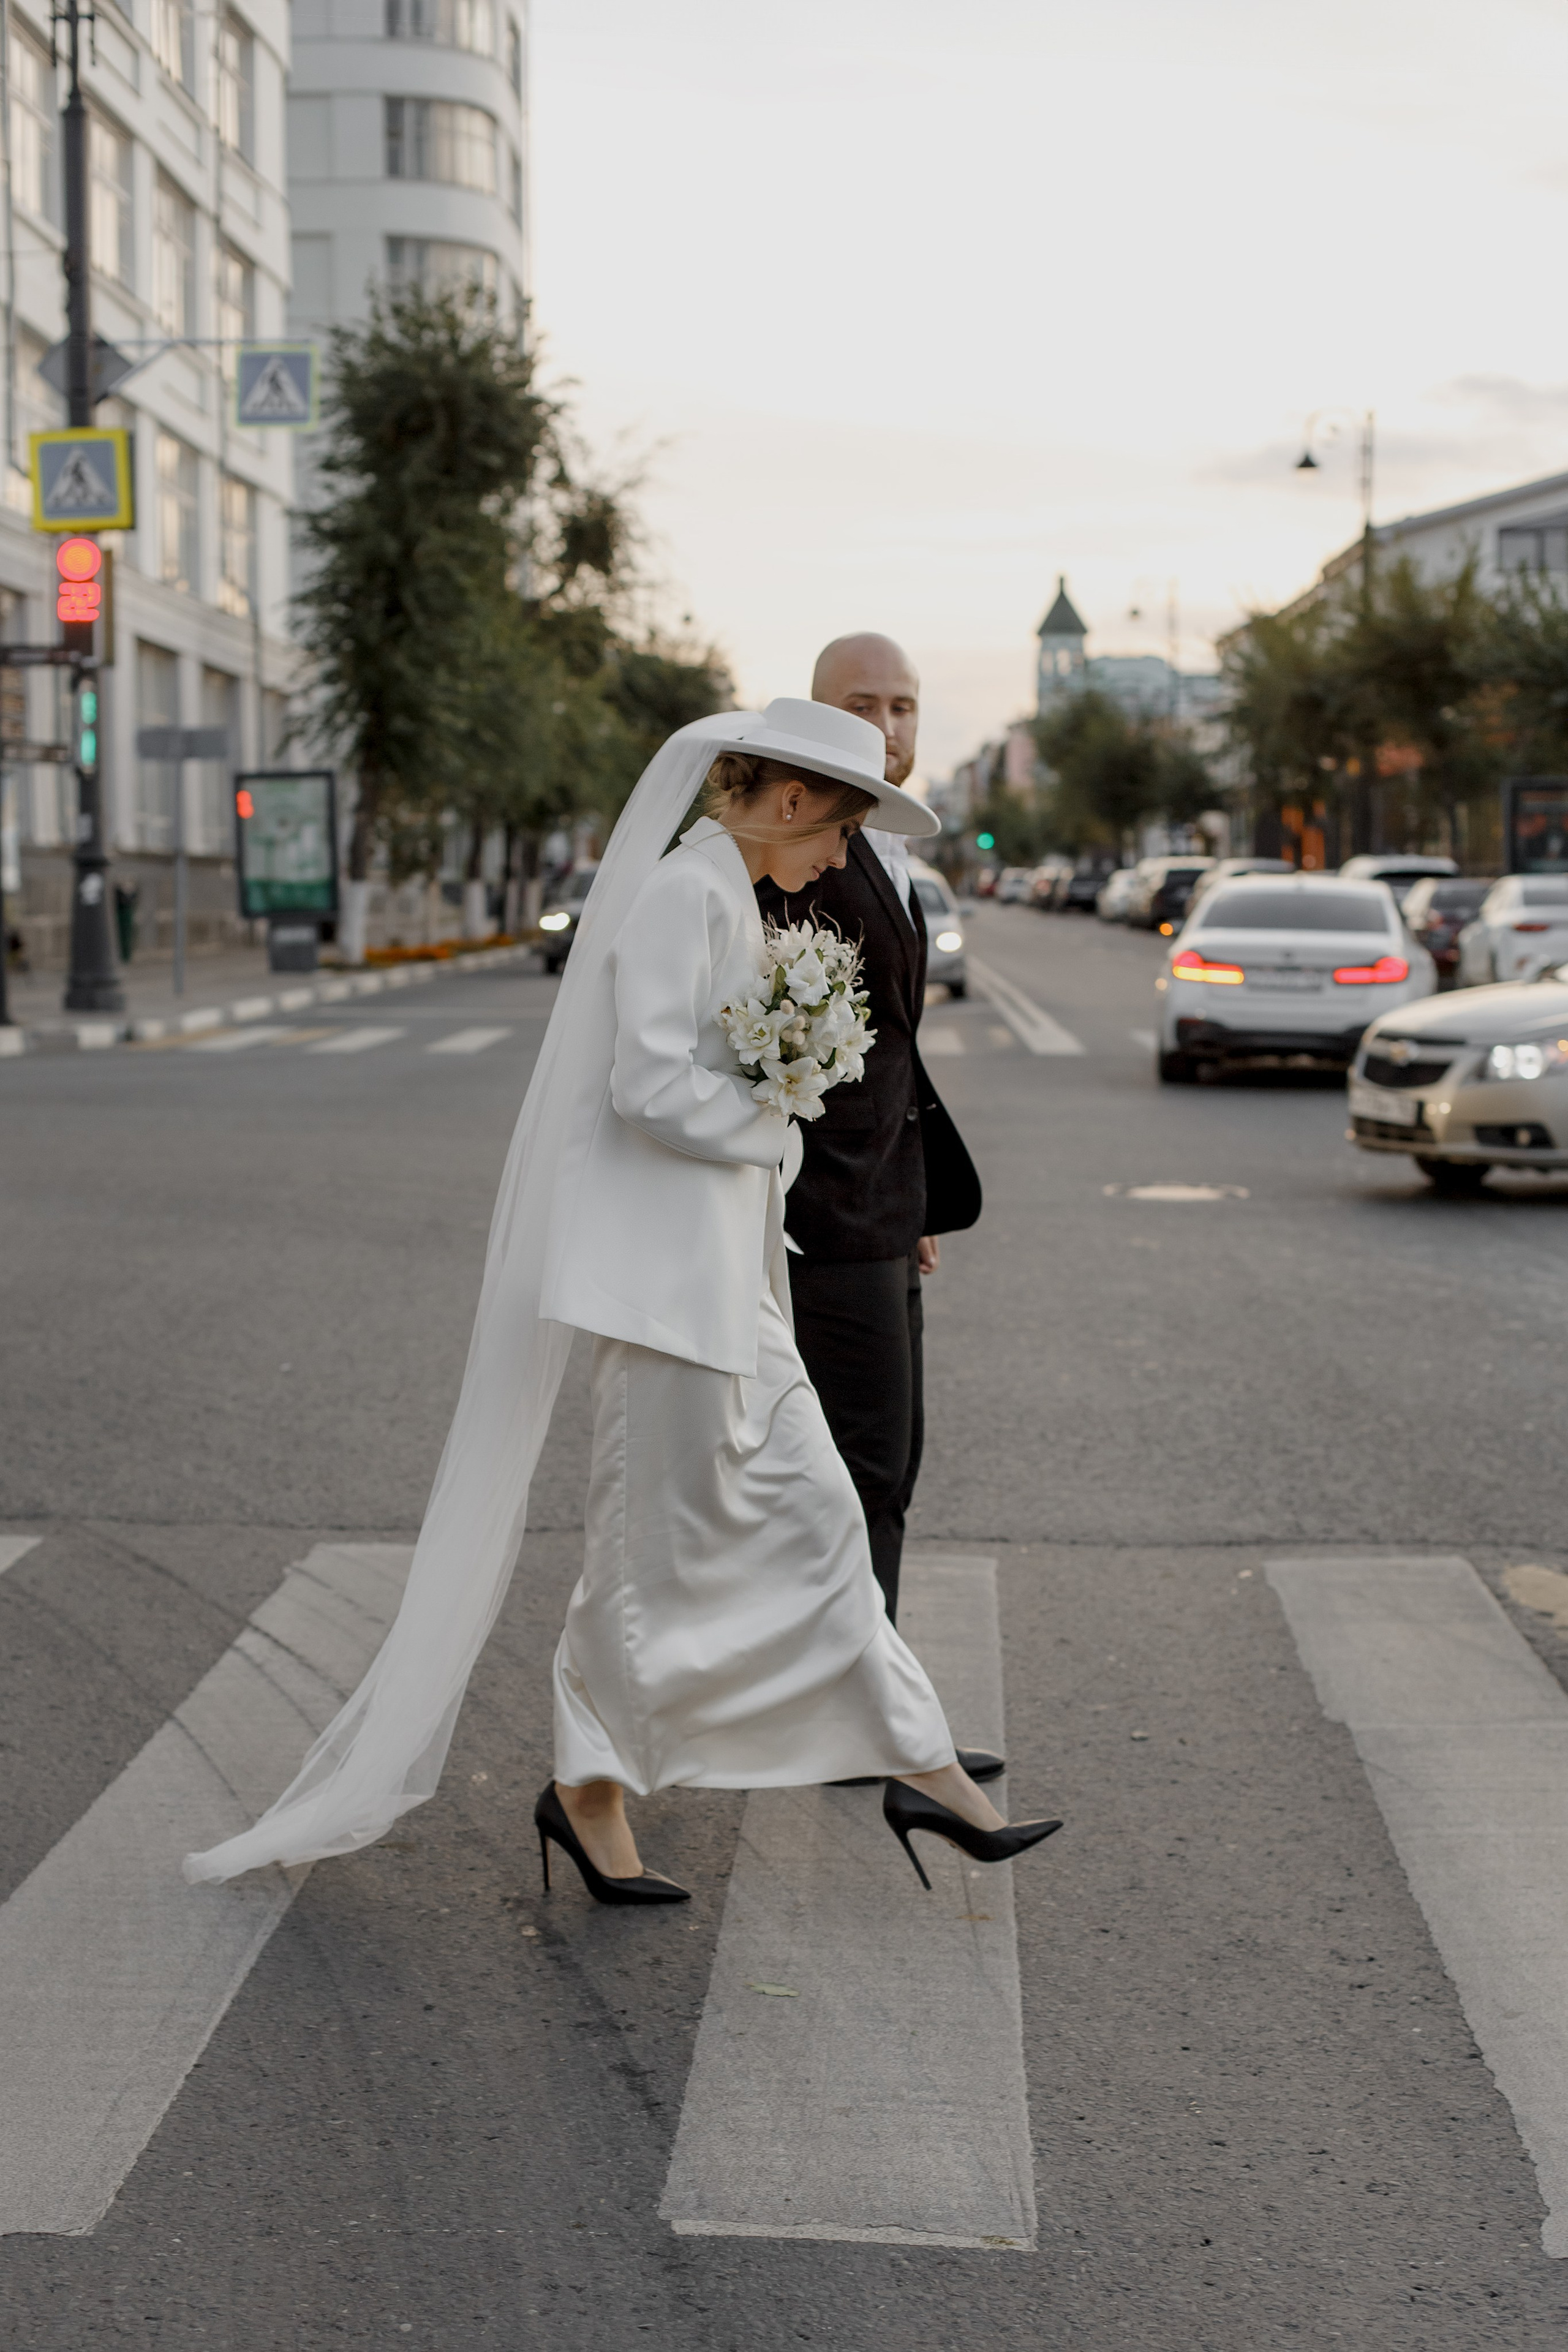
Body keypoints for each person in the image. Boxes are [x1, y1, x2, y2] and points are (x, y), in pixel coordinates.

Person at [185, 699, 1060, 1906]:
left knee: (806, 1522)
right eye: (841, 831)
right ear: (793, 801)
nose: (841, 858)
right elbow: (647, 1085)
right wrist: (777, 1110)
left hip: (724, 1281)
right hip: (660, 1291)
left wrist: (777, 1104)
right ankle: (619, 1791)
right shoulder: (685, 894)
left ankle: (908, 1769)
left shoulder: (737, 896)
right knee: (653, 1555)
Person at [756, 637, 996, 1784]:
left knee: (885, 1466)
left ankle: (860, 1705)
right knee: (865, 1467)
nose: (890, 724)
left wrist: (917, 1202)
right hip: (823, 1222)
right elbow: (778, 1070)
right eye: (864, 704)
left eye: (905, 705)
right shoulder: (796, 863)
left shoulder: (882, 851)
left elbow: (889, 1056)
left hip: (882, 1211)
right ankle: (867, 1723)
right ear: (819, 718)